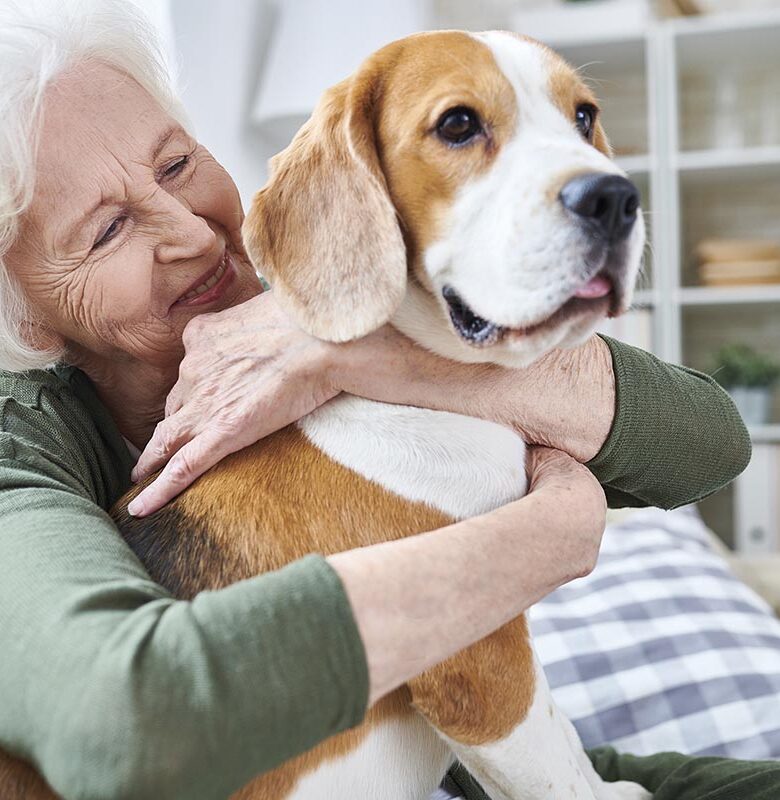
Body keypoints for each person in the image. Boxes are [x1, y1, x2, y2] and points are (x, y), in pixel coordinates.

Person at [0, 1, 764, 799]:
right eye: (107, 230)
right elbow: (122, 718)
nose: (190, 233)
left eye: (176, 165)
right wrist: (549, 535)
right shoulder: (15, 445)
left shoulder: (333, 286)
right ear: (23, 316)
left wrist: (356, 351)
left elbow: (711, 444)